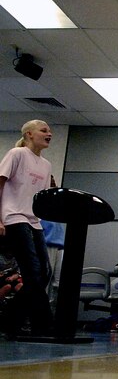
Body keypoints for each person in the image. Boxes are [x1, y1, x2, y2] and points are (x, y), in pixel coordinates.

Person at [0, 120, 54, 336]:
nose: (49, 134)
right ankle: (44, 325)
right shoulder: (16, 154)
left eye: (50, 131)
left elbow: (39, 198)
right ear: (29, 134)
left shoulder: (46, 165)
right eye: (44, 130)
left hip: (33, 220)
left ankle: (11, 319)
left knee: (44, 272)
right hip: (13, 216)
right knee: (32, 270)